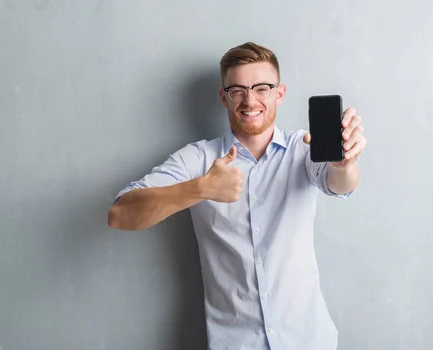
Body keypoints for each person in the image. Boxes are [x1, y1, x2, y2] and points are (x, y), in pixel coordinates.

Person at [107, 42, 366, 350]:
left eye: (262, 88)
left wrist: (344, 162)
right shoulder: (198, 160)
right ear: (224, 97)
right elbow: (119, 214)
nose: (250, 100)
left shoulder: (303, 149)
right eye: (238, 90)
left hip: (309, 341)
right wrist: (200, 188)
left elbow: (341, 184)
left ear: (279, 94)